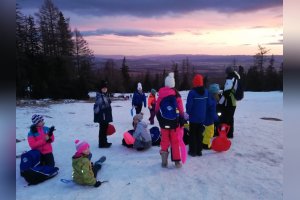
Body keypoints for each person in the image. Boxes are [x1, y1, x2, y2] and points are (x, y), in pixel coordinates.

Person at [155, 72, 185, 168]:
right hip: (174, 123)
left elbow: (156, 109)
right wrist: (181, 119)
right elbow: (181, 110)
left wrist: (160, 119)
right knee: (175, 141)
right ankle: (177, 161)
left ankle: (164, 161)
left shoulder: (161, 94)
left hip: (164, 123)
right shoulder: (176, 95)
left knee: (164, 141)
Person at [186, 74, 212, 157]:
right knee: (200, 134)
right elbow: (208, 104)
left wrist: (188, 113)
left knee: (193, 134)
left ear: (194, 82)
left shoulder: (192, 93)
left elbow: (189, 105)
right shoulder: (206, 92)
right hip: (202, 117)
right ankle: (199, 151)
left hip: (193, 117)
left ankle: (192, 151)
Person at [218, 66, 240, 138]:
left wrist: (220, 103)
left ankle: (225, 133)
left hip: (229, 102)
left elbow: (226, 93)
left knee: (226, 118)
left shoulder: (230, 80)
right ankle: (230, 133)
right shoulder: (236, 78)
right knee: (230, 118)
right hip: (233, 102)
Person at [94, 80, 113, 148]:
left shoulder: (105, 95)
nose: (105, 89)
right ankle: (102, 144)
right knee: (102, 130)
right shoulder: (99, 96)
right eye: (103, 88)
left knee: (105, 129)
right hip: (102, 116)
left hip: (105, 115)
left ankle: (104, 142)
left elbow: (107, 103)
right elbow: (101, 106)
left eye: (105, 88)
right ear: (101, 89)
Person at [202, 83, 220, 149]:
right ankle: (206, 144)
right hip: (209, 120)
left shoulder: (206, 97)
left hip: (203, 119)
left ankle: (203, 141)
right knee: (210, 133)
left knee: (205, 132)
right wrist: (217, 119)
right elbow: (212, 113)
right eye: (217, 92)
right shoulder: (213, 101)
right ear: (215, 93)